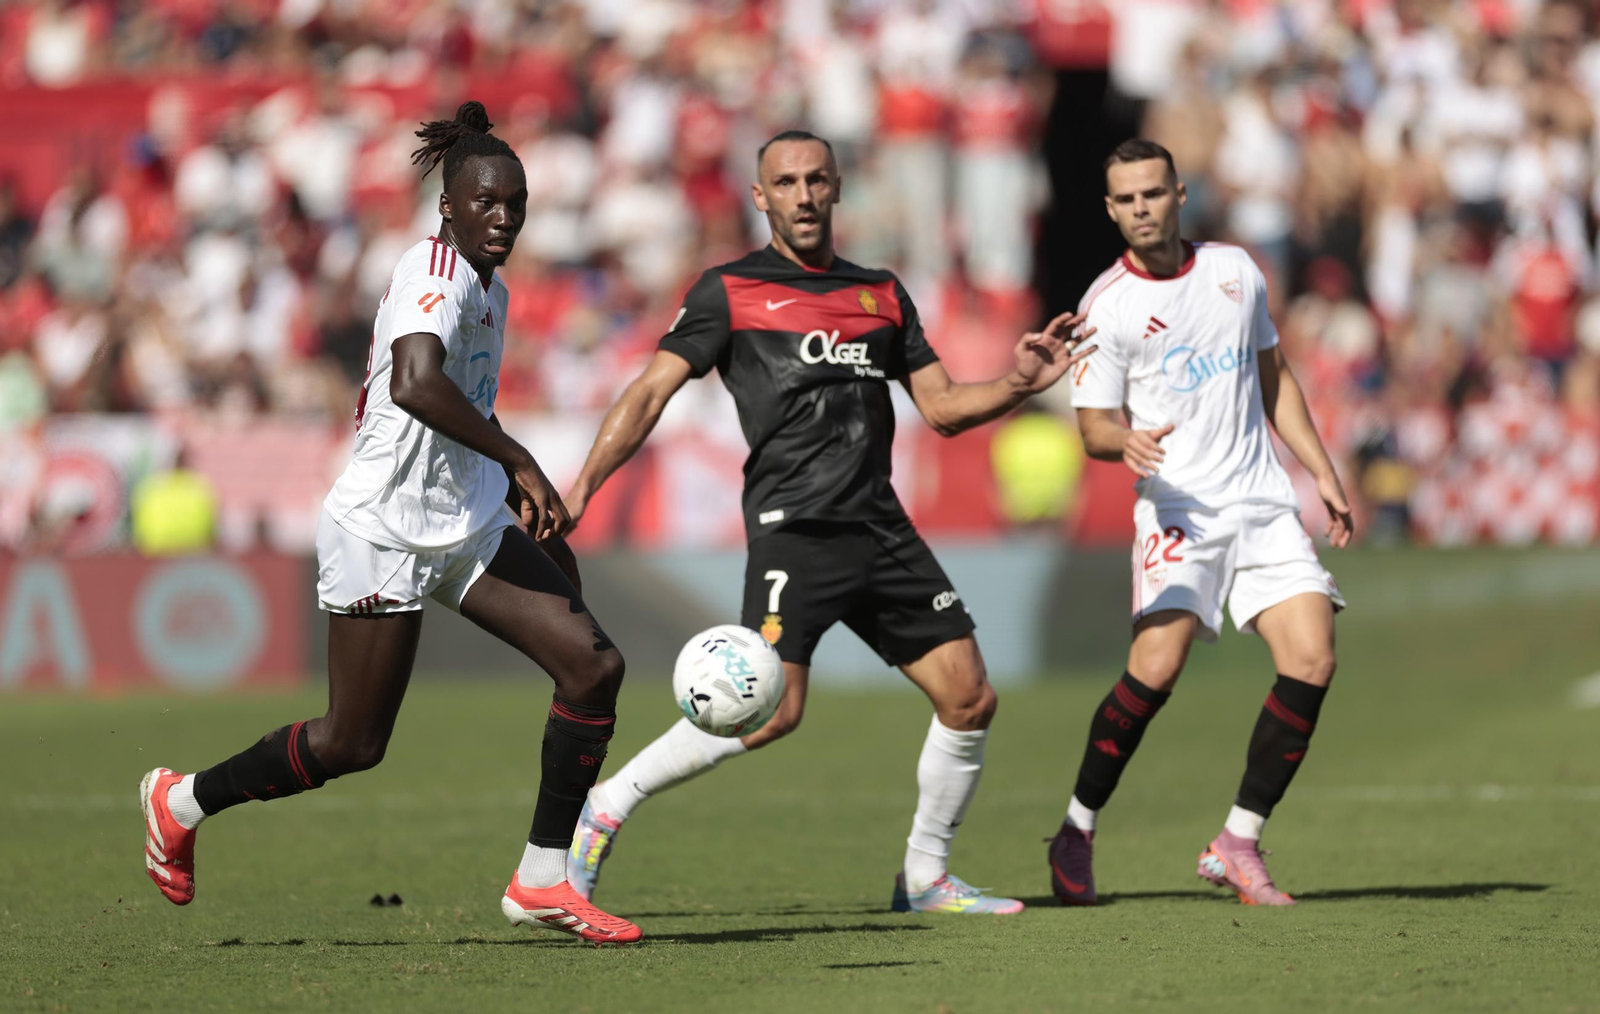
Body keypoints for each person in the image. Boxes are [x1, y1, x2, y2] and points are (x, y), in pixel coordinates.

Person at [138, 102, 642, 945]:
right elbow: (414, 381)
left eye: (516, 205)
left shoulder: (494, 286)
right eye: (487, 202)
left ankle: (543, 878)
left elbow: (461, 402)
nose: (504, 218)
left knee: (592, 668)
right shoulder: (433, 270)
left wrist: (506, 489)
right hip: (383, 528)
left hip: (468, 519)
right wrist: (518, 456)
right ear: (449, 205)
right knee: (351, 743)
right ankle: (180, 800)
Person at [562, 130, 1095, 915]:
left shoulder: (880, 292)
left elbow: (943, 409)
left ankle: (924, 879)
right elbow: (648, 393)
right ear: (760, 196)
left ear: (839, 187)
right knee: (776, 712)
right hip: (794, 530)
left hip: (880, 527)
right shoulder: (728, 290)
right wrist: (582, 489)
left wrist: (1018, 382)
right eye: (786, 182)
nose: (804, 195)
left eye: (817, 179)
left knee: (969, 697)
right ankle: (604, 806)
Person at [1049, 139, 1352, 907]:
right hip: (1178, 504)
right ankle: (1076, 828)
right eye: (1126, 199)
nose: (1142, 208)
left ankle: (1238, 843)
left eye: (1154, 193)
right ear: (1111, 209)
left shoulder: (1235, 271)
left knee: (1313, 659)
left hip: (1261, 501)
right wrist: (1127, 440)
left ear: (1180, 195)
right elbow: (1092, 429)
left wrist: (1318, 468)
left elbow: (1271, 374)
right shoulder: (1106, 304)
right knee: (1157, 669)